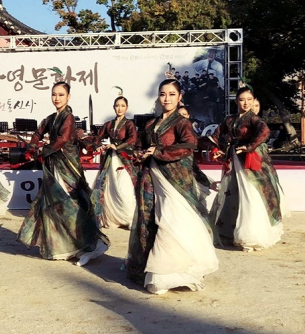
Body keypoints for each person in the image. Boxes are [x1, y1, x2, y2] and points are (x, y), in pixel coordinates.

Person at [125, 80, 218, 295]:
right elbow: (139, 147)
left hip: (174, 180)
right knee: (153, 220)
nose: (166, 98)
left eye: (171, 94)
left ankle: (174, 273)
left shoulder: (182, 122)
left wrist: (157, 152)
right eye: (163, 94)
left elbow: (188, 146)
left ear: (179, 97)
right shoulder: (150, 124)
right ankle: (157, 272)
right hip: (152, 178)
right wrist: (141, 154)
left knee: (171, 220)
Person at [17, 82, 109, 266]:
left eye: (60, 95)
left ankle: (90, 245)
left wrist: (43, 151)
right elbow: (38, 131)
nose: (56, 98)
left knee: (72, 204)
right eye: (54, 94)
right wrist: (33, 144)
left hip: (67, 165)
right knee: (55, 206)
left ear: (68, 97)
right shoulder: (51, 118)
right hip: (53, 164)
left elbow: (63, 139)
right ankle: (64, 246)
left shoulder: (68, 118)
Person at [210, 87, 288, 252]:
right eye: (242, 99)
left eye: (249, 99)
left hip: (250, 159)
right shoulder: (230, 120)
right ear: (236, 101)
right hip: (234, 158)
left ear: (253, 101)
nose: (246, 103)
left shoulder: (253, 119)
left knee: (251, 193)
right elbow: (216, 135)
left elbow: (265, 131)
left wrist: (249, 146)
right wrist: (216, 149)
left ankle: (253, 236)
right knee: (232, 193)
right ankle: (229, 232)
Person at [90, 96, 138, 229]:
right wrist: (98, 146)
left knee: (124, 188)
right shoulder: (109, 124)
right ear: (114, 107)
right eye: (117, 105)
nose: (120, 108)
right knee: (108, 187)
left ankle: (129, 217)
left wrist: (117, 146)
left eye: (123, 106)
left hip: (124, 159)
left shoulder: (129, 124)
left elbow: (132, 139)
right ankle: (112, 218)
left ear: (126, 108)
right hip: (110, 159)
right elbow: (97, 138)